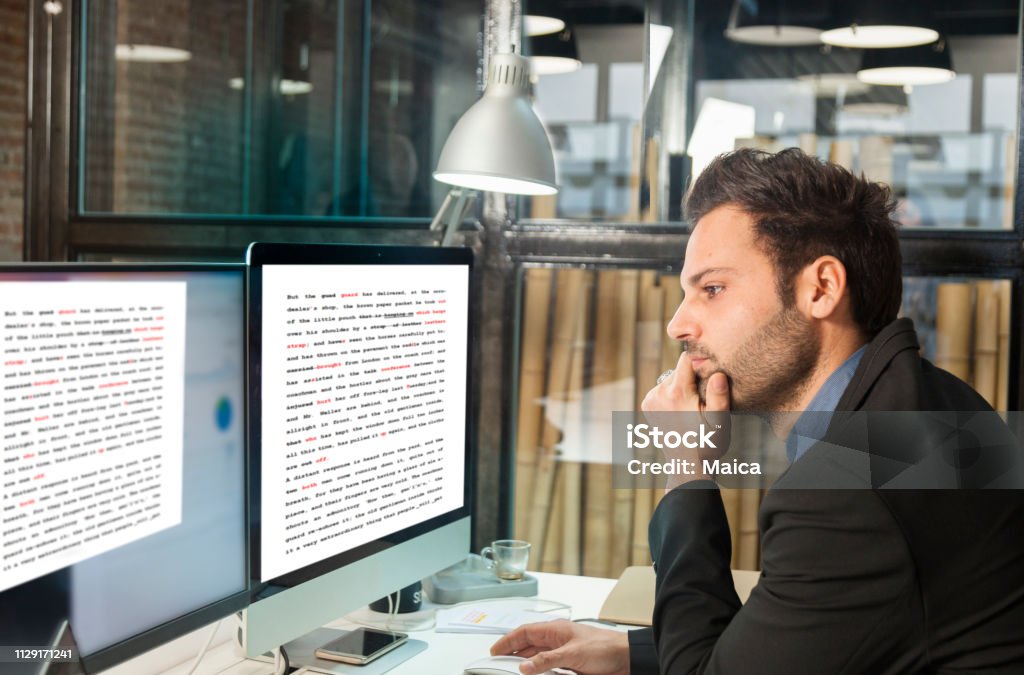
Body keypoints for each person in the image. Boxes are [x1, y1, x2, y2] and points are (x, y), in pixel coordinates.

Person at [491, 148, 1024, 674]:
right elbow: (831, 633)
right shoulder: (929, 402)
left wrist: (687, 472)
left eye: (713, 289)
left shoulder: (849, 494)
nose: (678, 325)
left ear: (821, 288)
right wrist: (634, 651)